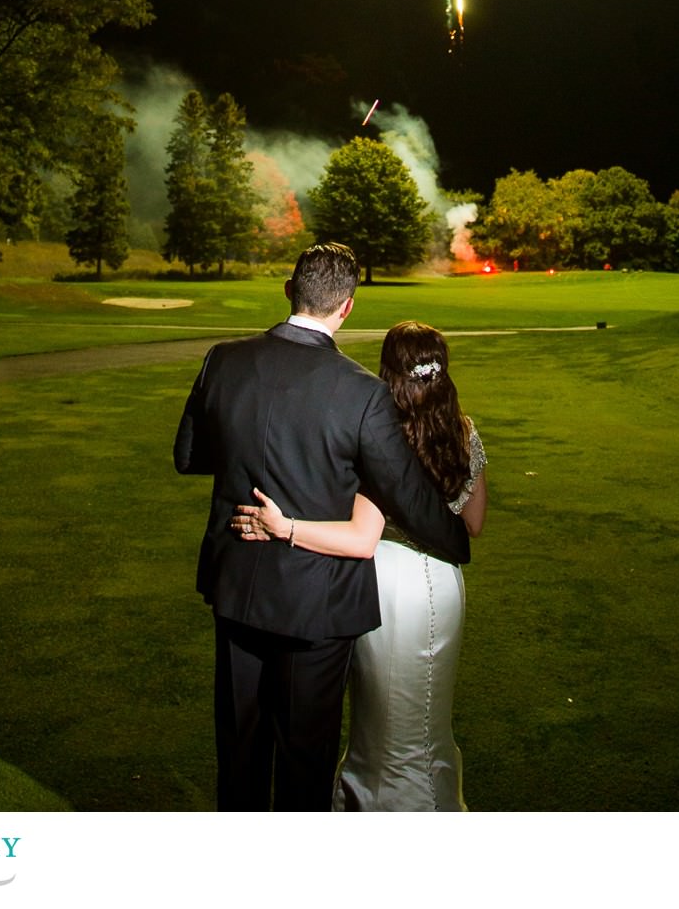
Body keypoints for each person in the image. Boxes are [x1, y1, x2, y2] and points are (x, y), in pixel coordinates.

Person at [172, 244, 470, 812]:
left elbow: (189, 456)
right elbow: (405, 492)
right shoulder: (361, 394)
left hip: (238, 588)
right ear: (347, 308)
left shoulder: (222, 359)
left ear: (289, 289)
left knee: (239, 755)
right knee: (304, 764)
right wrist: (453, 540)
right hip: (318, 601)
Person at [233, 319, 487, 811]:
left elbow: (360, 536)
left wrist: (284, 527)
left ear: (388, 371)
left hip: (388, 584)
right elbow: (473, 523)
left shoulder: (382, 433)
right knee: (427, 719)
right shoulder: (463, 429)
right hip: (445, 585)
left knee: (383, 722)